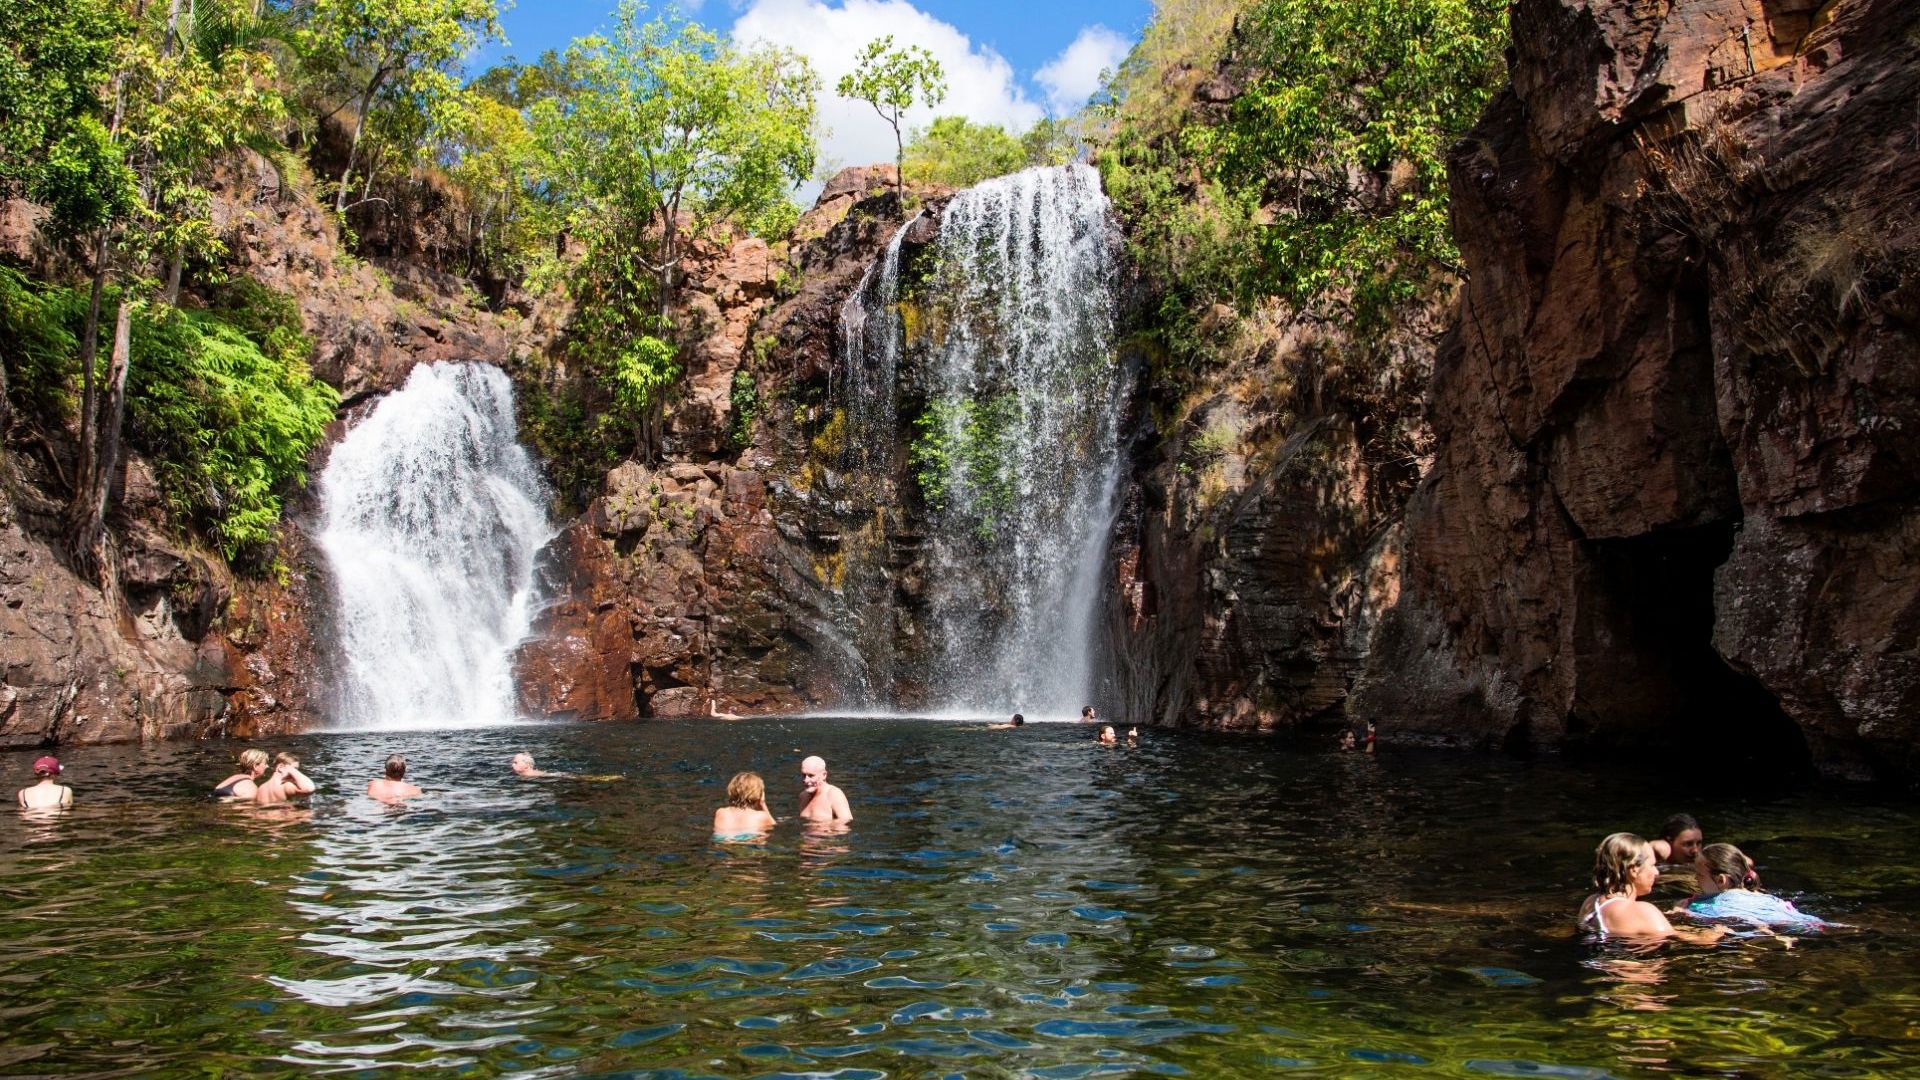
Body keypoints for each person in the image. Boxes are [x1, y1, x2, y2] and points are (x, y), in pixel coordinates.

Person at [1577, 832, 1725, 944]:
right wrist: (1718, 930)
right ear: (1634, 870)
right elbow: (1702, 942)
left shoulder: (1591, 903)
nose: (1656, 872)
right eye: (1652, 865)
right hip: (1638, 977)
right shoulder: (1643, 911)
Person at [1680, 843, 1827, 932]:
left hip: (1748, 922)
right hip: (1797, 919)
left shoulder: (1707, 904)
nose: (1695, 878)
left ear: (1721, 880)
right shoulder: (1762, 897)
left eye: (1699, 875)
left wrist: (1681, 910)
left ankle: (1764, 934)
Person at [713, 771, 777, 838]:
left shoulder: (721, 812)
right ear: (758, 794)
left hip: (722, 846)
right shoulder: (761, 816)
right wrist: (763, 804)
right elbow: (774, 826)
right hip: (748, 845)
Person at [797, 755, 852, 824]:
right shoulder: (803, 796)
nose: (806, 780)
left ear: (824, 775)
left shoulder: (834, 794)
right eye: (803, 775)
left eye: (811, 776)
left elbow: (846, 822)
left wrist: (822, 827)